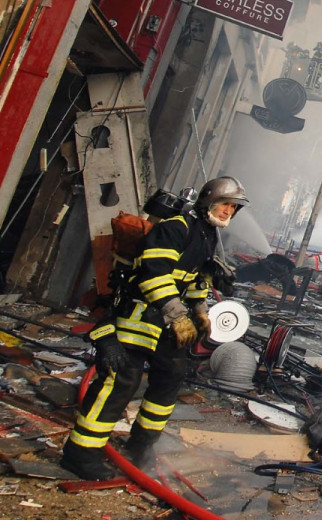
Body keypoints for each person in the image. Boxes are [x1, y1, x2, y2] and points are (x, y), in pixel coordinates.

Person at [60, 177, 249, 480]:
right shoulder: (176, 227)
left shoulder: (207, 235)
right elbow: (153, 275)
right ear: (208, 201)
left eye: (233, 207)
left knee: (170, 378)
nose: (228, 210)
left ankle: (140, 446)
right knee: (121, 382)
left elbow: (196, 279)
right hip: (138, 317)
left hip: (165, 322)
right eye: (224, 203)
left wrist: (200, 312)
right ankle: (80, 455)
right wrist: (178, 315)